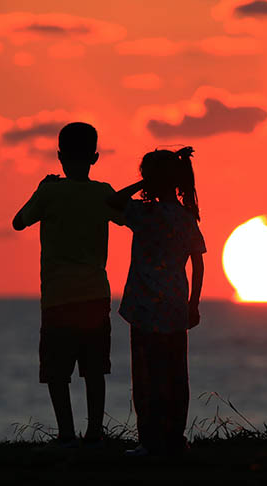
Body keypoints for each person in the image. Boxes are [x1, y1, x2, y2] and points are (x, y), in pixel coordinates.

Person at [12, 122, 124, 447]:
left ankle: (65, 433)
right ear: (95, 157)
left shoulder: (49, 192)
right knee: (94, 371)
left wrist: (39, 190)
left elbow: (19, 222)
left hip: (58, 299)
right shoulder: (103, 193)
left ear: (59, 156)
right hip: (95, 296)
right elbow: (127, 215)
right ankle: (94, 433)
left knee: (57, 373)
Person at [107, 146, 206, 456]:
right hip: (176, 305)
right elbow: (198, 263)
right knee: (177, 373)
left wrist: (142, 183)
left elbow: (110, 202)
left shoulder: (143, 212)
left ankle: (149, 441)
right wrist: (194, 303)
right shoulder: (185, 217)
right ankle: (175, 438)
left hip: (144, 305)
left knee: (146, 375)